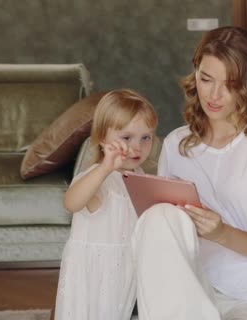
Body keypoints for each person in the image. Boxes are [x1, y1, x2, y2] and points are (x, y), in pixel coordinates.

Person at [131, 26, 247, 319]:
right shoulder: (175, 144)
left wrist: (221, 233)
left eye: (230, 84)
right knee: (157, 218)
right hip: (191, 285)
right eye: (206, 79)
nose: (215, 95)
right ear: (195, 75)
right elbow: (163, 235)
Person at [54, 89, 158, 320]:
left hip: (122, 270)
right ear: (103, 139)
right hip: (93, 272)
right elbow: (71, 202)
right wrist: (105, 169)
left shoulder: (138, 177)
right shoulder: (98, 177)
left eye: (146, 137)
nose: (137, 147)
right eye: (127, 137)